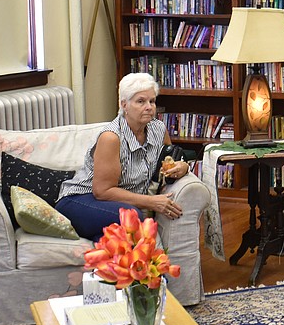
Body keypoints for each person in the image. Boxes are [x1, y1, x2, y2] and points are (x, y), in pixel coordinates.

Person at [55, 72, 190, 241]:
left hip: (116, 204)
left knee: (116, 238)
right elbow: (102, 192)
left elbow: (170, 160)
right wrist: (150, 202)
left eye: (152, 101)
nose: (149, 107)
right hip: (80, 200)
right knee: (133, 217)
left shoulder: (158, 129)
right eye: (141, 101)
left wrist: (183, 167)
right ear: (124, 105)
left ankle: (106, 259)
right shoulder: (111, 137)